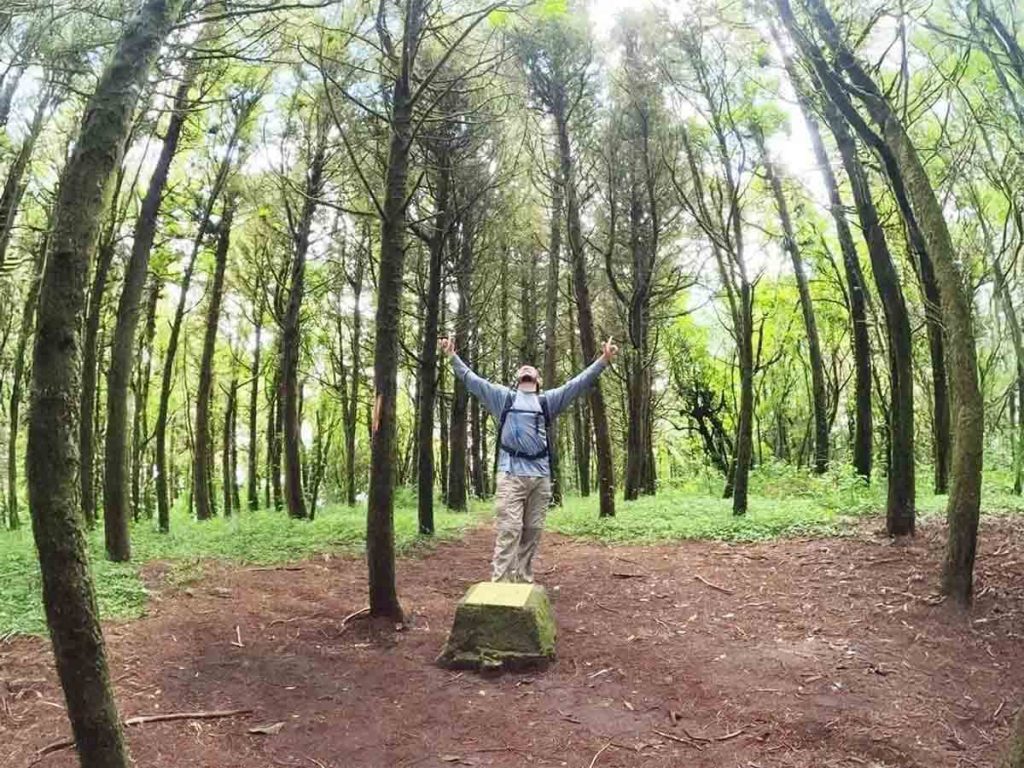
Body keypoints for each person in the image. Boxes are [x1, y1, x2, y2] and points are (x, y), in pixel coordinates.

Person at [439, 336, 618, 583]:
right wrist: (452, 356)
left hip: (540, 477)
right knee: (509, 530)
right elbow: (472, 380)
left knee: (532, 531)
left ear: (537, 380)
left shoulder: (548, 401)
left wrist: (603, 360)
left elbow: (578, 384)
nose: (526, 371)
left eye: (531, 371)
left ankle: (523, 579)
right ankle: (501, 583)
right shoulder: (503, 398)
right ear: (517, 379)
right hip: (511, 474)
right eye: (523, 371)